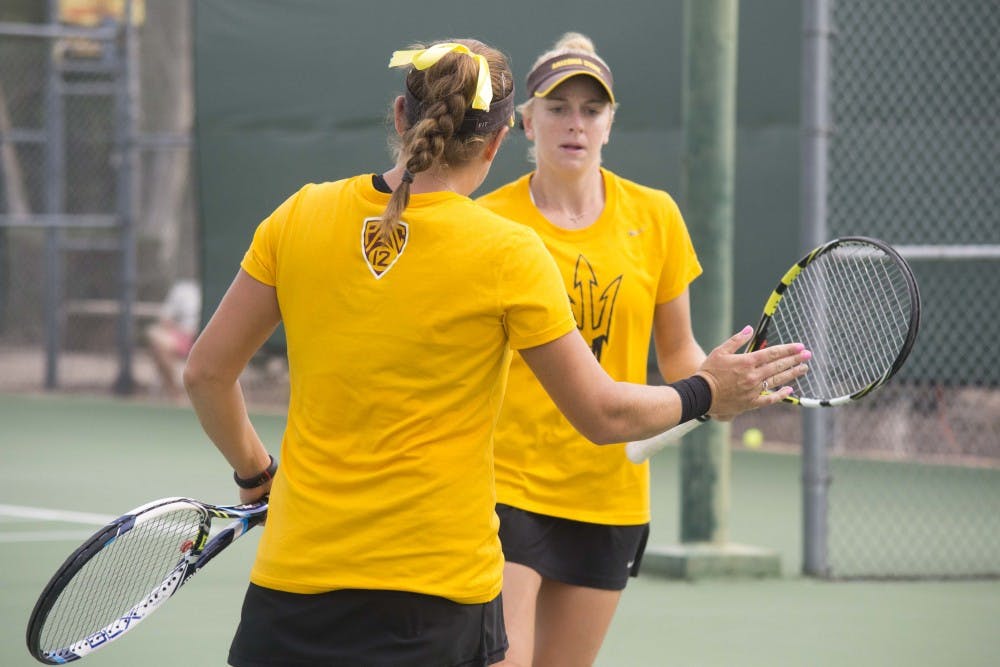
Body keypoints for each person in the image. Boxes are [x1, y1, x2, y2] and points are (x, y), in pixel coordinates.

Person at [183, 38, 810, 667]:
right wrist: (706, 393)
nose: (576, 121)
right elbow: (602, 416)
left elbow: (207, 373)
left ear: (402, 117)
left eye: (592, 110)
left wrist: (256, 472)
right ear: (501, 137)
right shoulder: (507, 251)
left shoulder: (298, 216)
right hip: (437, 595)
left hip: (292, 589)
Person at [476, 32, 724, 667]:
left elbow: (679, 360)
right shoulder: (488, 222)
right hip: (506, 487)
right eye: (557, 108)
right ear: (526, 123)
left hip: (609, 496)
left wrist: (727, 383)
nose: (575, 123)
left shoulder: (657, 217)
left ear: (611, 124)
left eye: (592, 109)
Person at [145, 278, 200, 400]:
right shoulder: (181, 289)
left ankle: (181, 394)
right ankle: (175, 393)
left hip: (204, 340)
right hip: (182, 337)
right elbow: (165, 318)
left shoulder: (225, 288)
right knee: (154, 336)